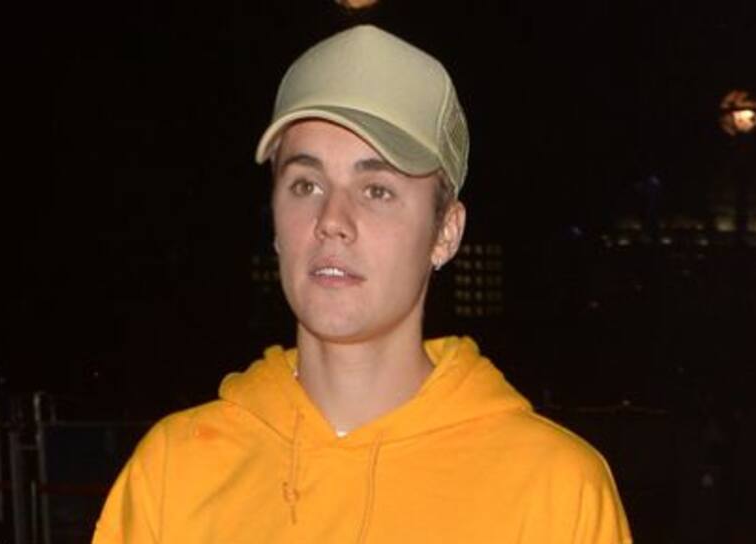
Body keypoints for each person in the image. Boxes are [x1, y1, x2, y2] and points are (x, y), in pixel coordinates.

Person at [92, 25, 632, 544]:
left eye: (377, 190)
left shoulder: (553, 490)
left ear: (445, 232)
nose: (331, 219)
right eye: (306, 184)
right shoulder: (175, 473)